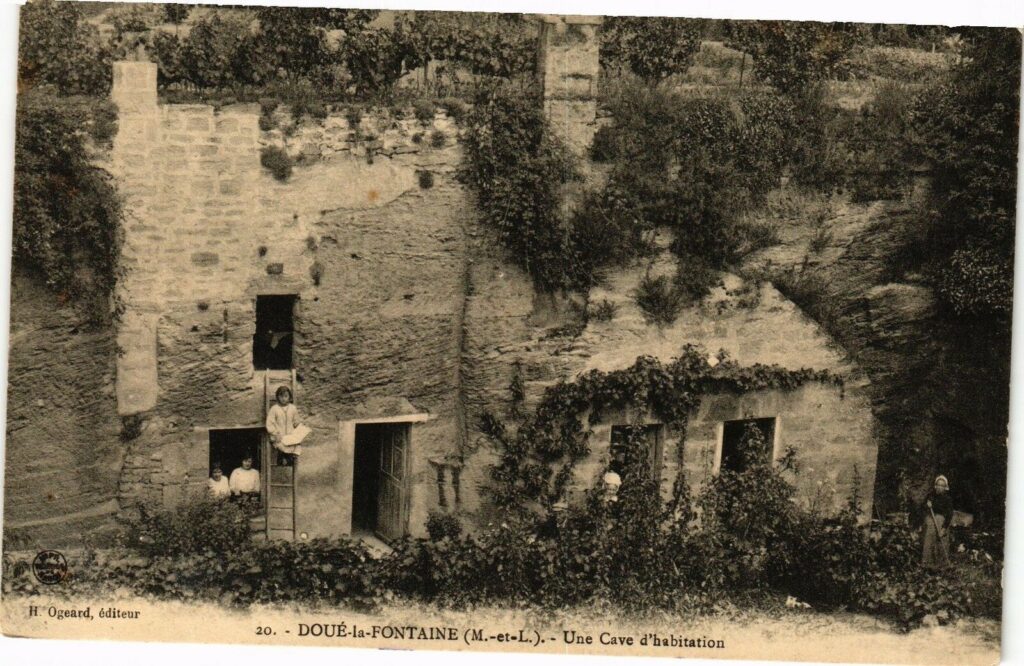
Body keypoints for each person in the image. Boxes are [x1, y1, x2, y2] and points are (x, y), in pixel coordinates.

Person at [921, 474, 954, 569]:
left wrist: (944, 528)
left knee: (941, 537)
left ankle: (943, 564)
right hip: (930, 518)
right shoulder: (930, 496)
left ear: (945, 487)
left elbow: (949, 515)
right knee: (929, 533)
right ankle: (927, 563)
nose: (939, 487)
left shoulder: (947, 499)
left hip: (942, 521)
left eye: (942, 486)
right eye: (938, 485)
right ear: (935, 486)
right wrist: (927, 505)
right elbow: (923, 508)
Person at [266, 385, 303, 464]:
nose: (283, 398)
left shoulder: (293, 408)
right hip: (279, 436)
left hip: (290, 436)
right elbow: (269, 423)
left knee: (293, 450)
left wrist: (298, 426)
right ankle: (281, 462)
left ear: (289, 397)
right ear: (277, 397)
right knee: (281, 453)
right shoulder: (274, 409)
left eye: (286, 396)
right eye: (281, 396)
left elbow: (296, 421)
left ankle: (289, 461)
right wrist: (275, 433)